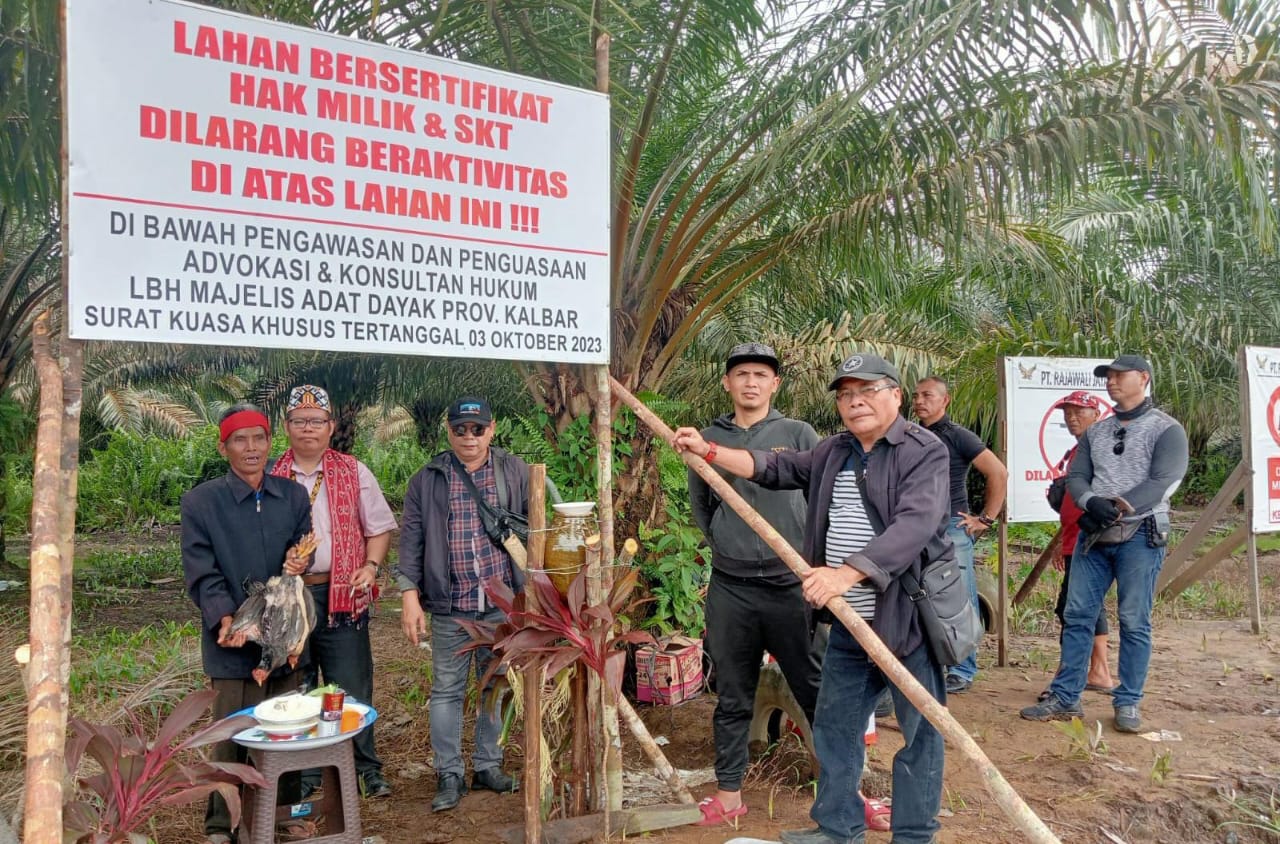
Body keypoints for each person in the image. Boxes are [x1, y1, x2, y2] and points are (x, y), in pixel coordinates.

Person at [674, 351, 951, 844]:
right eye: (846, 394)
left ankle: (913, 835)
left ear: (896, 396)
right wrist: (711, 452)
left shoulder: (922, 449)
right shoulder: (834, 450)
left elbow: (916, 523)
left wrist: (846, 574)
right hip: (845, 622)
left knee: (920, 736)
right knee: (834, 727)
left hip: (904, 619)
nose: (855, 402)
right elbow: (772, 468)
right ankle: (838, 828)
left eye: (867, 391)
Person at [687, 342, 822, 827]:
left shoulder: (798, 433)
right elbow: (702, 505)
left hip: (792, 586)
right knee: (732, 691)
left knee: (814, 687)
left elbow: (818, 497)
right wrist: (729, 540)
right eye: (741, 373)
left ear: (774, 384)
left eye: (760, 375)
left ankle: (837, 789)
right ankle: (728, 793)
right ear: (727, 382)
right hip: (732, 587)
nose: (750, 382)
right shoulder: (708, 437)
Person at [1021, 355, 1187, 733]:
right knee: (1077, 615)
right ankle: (1066, 696)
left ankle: (1127, 702)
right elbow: (1077, 476)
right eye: (1107, 377)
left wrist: (1116, 506)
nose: (1111, 382)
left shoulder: (1167, 429)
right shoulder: (1097, 432)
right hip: (1093, 534)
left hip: (1141, 534)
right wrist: (1088, 502)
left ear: (1143, 378)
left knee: (1133, 619)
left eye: (1118, 375)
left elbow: (1164, 480)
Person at [181, 404, 312, 844]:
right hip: (230, 639)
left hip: (286, 634)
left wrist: (299, 559)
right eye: (240, 439)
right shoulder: (202, 502)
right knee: (232, 732)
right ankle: (223, 824)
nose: (251, 448)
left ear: (270, 442)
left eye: (259, 438)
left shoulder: (292, 496)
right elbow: (201, 569)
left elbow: (301, 551)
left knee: (287, 726)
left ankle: (282, 815)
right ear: (224, 447)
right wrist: (226, 618)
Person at [397, 397, 529, 812]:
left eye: (477, 429)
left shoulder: (515, 471)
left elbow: (538, 525)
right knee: (447, 692)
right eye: (460, 429)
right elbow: (411, 541)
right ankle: (449, 773)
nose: (468, 437)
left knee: (497, 685)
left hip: (502, 605)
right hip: (450, 605)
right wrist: (409, 597)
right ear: (448, 431)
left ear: (492, 429)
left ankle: (488, 766)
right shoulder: (428, 479)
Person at [270, 385, 399, 799]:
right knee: (298, 684)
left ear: (331, 426)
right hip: (292, 600)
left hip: (342, 594)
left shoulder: (353, 470)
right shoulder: (271, 476)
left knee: (351, 685)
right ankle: (308, 776)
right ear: (287, 427)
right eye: (299, 421)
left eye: (317, 421)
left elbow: (378, 528)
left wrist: (370, 565)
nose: (308, 428)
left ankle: (366, 770)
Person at [911, 376, 1008, 694]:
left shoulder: (958, 436)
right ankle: (934, 663)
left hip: (952, 528)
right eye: (916, 396)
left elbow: (997, 472)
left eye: (927, 395)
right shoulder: (911, 435)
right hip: (917, 526)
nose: (920, 401)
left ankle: (963, 670)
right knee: (921, 597)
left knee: (959, 599)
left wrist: (986, 519)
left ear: (945, 401)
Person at [1039, 390, 1114, 700]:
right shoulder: (1078, 451)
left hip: (1093, 540)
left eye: (1079, 411)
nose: (1071, 417)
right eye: (1067, 412)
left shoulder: (1102, 450)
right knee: (1085, 606)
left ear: (1096, 414)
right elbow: (1072, 503)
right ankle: (1098, 671)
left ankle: (1077, 674)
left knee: (1073, 608)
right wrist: (1063, 541)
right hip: (1075, 539)